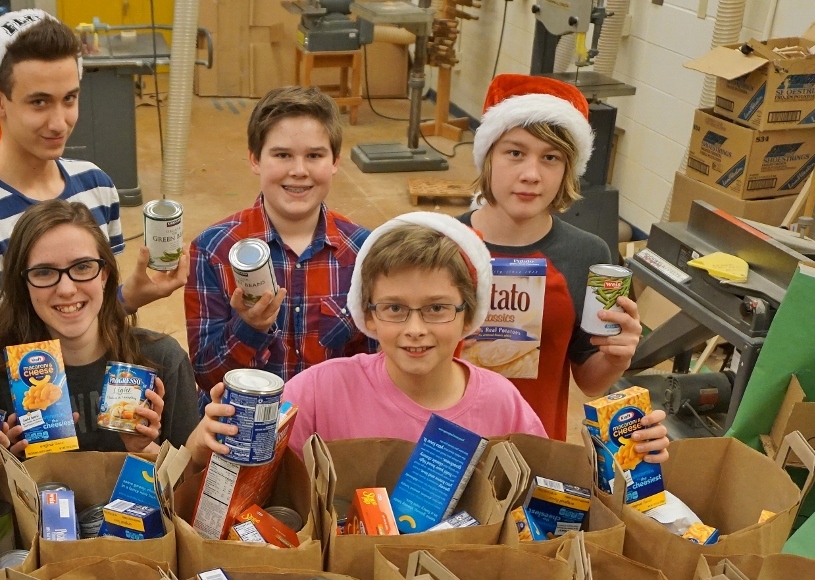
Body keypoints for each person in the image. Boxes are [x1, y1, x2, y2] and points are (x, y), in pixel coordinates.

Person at [185, 213, 671, 466]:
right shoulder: (317, 392)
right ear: (368, 318)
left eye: (437, 309)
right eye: (395, 309)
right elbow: (247, 490)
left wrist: (627, 459)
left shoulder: (502, 405)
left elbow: (551, 501)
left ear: (469, 318)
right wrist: (204, 445)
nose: (415, 329)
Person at [0, 9, 184, 364]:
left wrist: (130, 295)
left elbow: (91, 311)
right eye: (39, 102)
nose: (59, 123)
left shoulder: (95, 186)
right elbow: (12, 354)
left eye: (69, 99)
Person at [458, 73, 647, 441]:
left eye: (550, 158)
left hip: (536, 451)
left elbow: (590, 381)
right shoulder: (440, 245)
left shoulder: (587, 254)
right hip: (441, 451)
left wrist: (616, 357)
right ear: (488, 158)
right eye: (515, 153)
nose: (531, 174)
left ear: (567, 171)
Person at [185, 85, 372, 409]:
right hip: (240, 434)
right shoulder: (213, 250)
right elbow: (205, 374)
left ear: (335, 162)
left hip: (327, 433)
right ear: (255, 159)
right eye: (282, 154)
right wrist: (249, 328)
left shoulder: (364, 252)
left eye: (314, 155)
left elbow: (373, 370)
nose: (299, 170)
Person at [0, 199, 199, 456]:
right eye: (44, 272)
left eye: (83, 267)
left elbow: (194, 483)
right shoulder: (5, 376)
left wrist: (144, 450)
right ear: (24, 284)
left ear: (105, 274)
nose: (66, 289)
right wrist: (8, 464)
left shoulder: (163, 361)